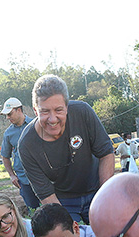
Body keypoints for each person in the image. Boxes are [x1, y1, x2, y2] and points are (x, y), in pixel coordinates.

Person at [18, 75, 114, 223]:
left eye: (58, 110)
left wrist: (105, 196)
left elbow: (106, 153)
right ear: (35, 111)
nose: (52, 119)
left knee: (109, 233)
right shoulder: (27, 145)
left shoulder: (83, 112)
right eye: (44, 111)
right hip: (63, 199)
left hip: (96, 188)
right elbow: (45, 193)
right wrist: (66, 225)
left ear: (67, 107)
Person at [0, 96, 39, 213]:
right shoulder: (8, 133)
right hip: (23, 179)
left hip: (42, 176)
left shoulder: (36, 124)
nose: (8, 118)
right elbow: (5, 156)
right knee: (34, 212)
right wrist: (12, 175)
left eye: (10, 114)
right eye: (6, 115)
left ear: (19, 110)